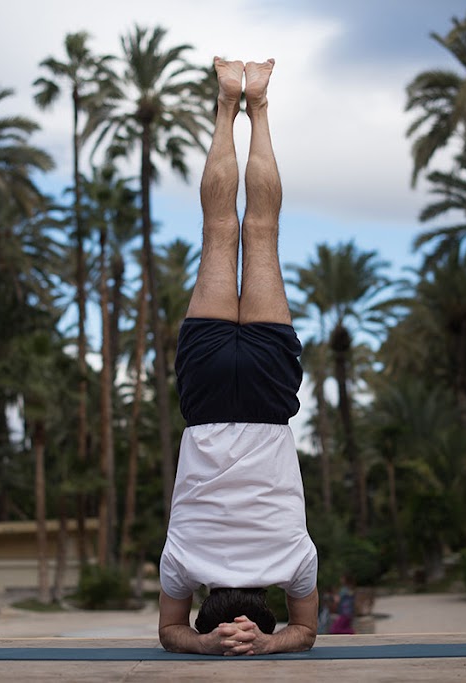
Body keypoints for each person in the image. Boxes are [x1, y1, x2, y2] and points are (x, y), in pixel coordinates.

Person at [157, 56, 319, 656]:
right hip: (204, 402)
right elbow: (169, 634)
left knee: (264, 229)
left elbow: (306, 633)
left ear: (266, 610)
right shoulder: (182, 565)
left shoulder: (295, 564)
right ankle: (229, 102)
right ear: (206, 607)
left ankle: (259, 105)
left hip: (267, 400)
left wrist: (268, 644)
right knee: (220, 228)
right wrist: (207, 646)